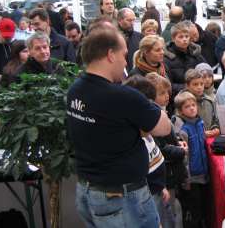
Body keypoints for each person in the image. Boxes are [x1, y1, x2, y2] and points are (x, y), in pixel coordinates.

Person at [67, 25, 171, 228]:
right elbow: (164, 127)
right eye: (124, 55)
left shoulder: (75, 90)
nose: (126, 61)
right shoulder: (122, 96)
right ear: (110, 55)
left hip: (89, 190)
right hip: (121, 198)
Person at [122, 75, 169, 227]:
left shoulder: (145, 131)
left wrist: (162, 186)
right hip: (146, 195)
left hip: (157, 188)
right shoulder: (134, 135)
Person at [146, 73, 187, 228]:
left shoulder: (162, 111)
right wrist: (181, 151)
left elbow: (170, 138)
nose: (167, 96)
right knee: (168, 213)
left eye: (167, 92)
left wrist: (179, 143)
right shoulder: (154, 116)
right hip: (166, 174)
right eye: (162, 93)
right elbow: (161, 148)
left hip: (171, 172)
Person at [171, 91, 209, 228]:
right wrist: (186, 179)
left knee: (204, 207)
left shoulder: (200, 123)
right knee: (193, 210)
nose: (192, 108)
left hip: (203, 175)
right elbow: (183, 157)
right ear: (180, 111)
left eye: (194, 105)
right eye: (187, 107)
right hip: (191, 178)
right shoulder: (182, 129)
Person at [164, 22, 205, 97]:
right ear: (173, 38)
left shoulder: (195, 55)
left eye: (187, 36)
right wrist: (187, 87)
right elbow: (168, 84)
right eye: (181, 37)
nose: (185, 39)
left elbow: (205, 72)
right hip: (177, 98)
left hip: (197, 96)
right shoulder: (167, 58)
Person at [184, 69, 220, 135]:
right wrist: (202, 133)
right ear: (187, 86)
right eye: (195, 84)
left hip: (210, 140)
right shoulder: (183, 103)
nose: (199, 87)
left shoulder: (209, 101)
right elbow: (183, 128)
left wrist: (215, 128)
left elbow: (215, 120)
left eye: (201, 84)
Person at [117, 8, 143, 73]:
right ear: (120, 21)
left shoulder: (139, 36)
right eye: (129, 20)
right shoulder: (114, 38)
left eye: (133, 20)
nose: (132, 23)